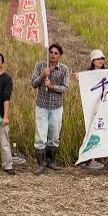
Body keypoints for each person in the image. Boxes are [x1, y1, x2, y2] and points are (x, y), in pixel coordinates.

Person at [31, 44, 70, 174]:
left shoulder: (64, 69)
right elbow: (33, 84)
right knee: (41, 135)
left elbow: (65, 88)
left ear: (60, 55)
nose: (53, 55)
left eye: (56, 53)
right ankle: (41, 164)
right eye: (51, 52)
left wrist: (52, 86)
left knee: (54, 134)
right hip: (42, 105)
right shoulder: (41, 65)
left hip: (56, 106)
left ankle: (51, 161)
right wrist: (42, 75)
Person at [80, 50, 108, 170]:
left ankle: (97, 156)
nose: (100, 61)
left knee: (100, 130)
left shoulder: (107, 73)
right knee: (90, 130)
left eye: (102, 58)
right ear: (93, 61)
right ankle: (88, 157)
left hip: (103, 107)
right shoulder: (88, 74)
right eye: (98, 59)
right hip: (91, 107)